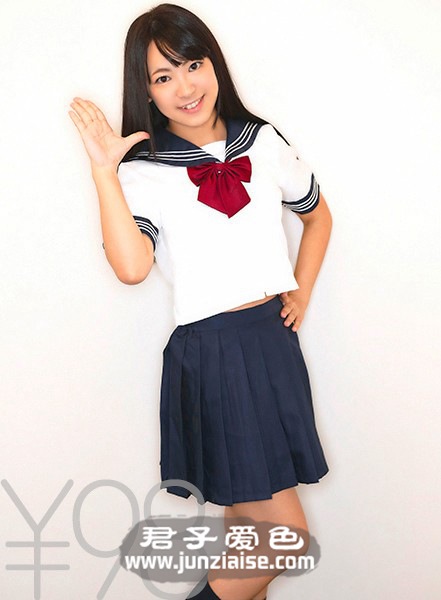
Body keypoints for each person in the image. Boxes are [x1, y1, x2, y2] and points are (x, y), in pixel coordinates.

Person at [68, 4, 332, 599]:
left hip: (272, 345)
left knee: (248, 531)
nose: (185, 87)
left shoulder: (262, 142)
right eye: (163, 76)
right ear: (146, 90)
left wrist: (300, 289)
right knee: (286, 537)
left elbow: (318, 217)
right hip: (214, 355)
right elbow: (132, 268)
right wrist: (105, 174)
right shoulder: (143, 172)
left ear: (214, 64)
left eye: (193, 65)